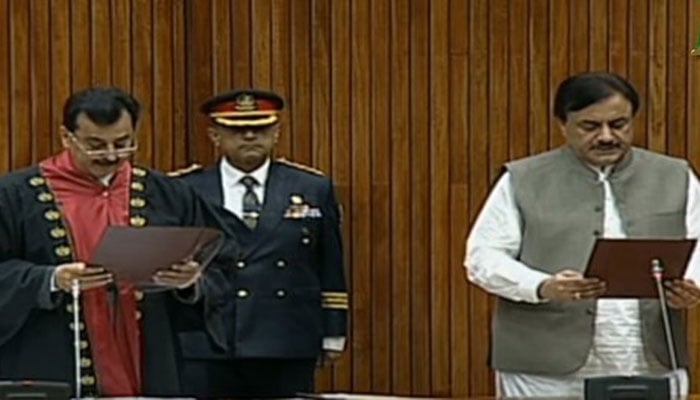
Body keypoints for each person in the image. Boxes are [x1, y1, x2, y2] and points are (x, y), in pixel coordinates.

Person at [464, 71, 700, 398]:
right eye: (590, 126)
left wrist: (691, 285)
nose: (606, 136)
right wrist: (542, 286)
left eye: (619, 124)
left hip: (648, 359)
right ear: (563, 125)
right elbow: (482, 257)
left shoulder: (676, 176)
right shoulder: (523, 178)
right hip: (543, 367)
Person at [0, 87, 235, 397]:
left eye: (123, 144)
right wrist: (50, 279)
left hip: (148, 358)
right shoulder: (15, 195)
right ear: (66, 137)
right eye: (96, 146)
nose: (111, 156)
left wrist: (191, 282)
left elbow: (225, 263)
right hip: (50, 356)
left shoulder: (167, 193)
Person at [174, 89, 348, 398]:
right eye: (237, 129)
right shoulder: (184, 189)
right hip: (208, 338)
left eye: (261, 128)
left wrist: (333, 330)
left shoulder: (311, 187)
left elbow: (329, 261)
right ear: (215, 135)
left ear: (276, 132)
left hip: (285, 337)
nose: (250, 136)